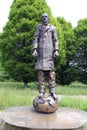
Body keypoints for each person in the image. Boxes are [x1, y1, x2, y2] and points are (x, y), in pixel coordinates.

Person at [32, 13, 59, 99]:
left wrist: (56, 50)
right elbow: (35, 38)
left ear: (48, 18)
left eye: (46, 17)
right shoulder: (38, 27)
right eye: (42, 17)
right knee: (41, 73)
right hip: (40, 53)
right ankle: (41, 92)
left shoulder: (52, 28)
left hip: (49, 54)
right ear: (41, 19)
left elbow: (55, 40)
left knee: (51, 73)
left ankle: (52, 92)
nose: (44, 18)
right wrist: (35, 49)